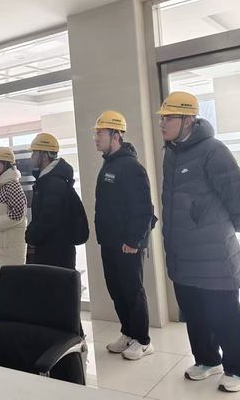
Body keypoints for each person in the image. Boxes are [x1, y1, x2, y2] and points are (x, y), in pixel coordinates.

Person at [159, 92, 240, 393]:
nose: (163, 123)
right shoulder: (171, 154)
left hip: (213, 256)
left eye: (169, 117)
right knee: (195, 313)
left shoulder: (214, 151)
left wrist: (221, 231)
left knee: (224, 314)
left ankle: (238, 369)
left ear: (189, 119)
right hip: (182, 254)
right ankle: (207, 360)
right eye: (162, 117)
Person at [93, 111, 155, 361]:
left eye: (100, 133)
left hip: (127, 244)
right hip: (110, 242)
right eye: (96, 133)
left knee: (132, 291)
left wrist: (133, 241)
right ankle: (128, 332)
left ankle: (143, 340)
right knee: (117, 290)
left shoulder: (131, 167)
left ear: (116, 135)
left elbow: (143, 209)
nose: (96, 138)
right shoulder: (109, 164)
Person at [25, 133, 77, 269]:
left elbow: (48, 219)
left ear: (44, 155)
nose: (32, 157)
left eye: (34, 153)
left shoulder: (53, 183)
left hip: (56, 254)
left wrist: (31, 236)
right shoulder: (47, 180)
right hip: (50, 250)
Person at [0, 147, 27, 286]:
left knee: (10, 286)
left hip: (9, 247)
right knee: (2, 285)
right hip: (1, 245)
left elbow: (19, 212)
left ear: (7, 164)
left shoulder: (12, 185)